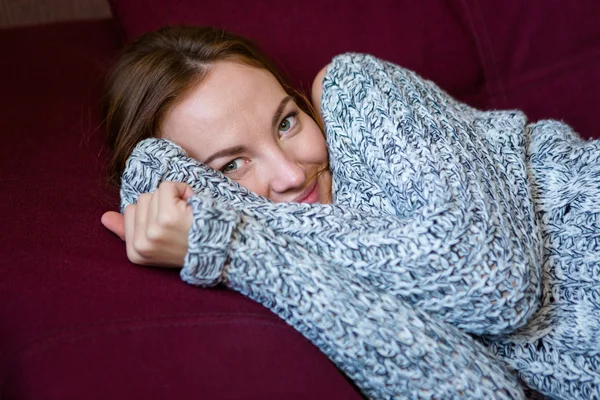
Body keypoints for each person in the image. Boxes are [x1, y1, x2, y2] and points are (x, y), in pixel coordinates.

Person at [100, 26, 600, 400]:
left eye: (287, 122)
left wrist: (228, 234)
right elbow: (480, 391)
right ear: (197, 190)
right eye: (232, 165)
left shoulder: (354, 90)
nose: (291, 173)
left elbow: (495, 285)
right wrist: (238, 249)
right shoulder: (281, 262)